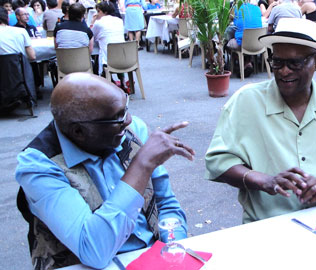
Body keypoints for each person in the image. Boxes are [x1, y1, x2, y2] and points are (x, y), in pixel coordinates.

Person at [15, 72, 194, 270]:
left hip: (154, 259)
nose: (128, 120)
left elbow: (166, 205)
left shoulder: (133, 130)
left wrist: (172, 254)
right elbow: (94, 251)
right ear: (78, 131)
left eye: (125, 109)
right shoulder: (38, 166)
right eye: (116, 118)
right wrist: (141, 165)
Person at [205, 18, 316, 224]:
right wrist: (264, 180)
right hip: (267, 224)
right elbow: (217, 161)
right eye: (277, 62)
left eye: (295, 63)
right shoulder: (246, 102)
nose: (284, 71)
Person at [90, 1, 125, 81]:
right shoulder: (119, 20)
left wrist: (92, 22)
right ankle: (122, 80)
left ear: (105, 12)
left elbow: (91, 36)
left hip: (107, 58)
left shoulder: (99, 23)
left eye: (98, 11)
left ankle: (104, 78)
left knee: (99, 52)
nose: (97, 13)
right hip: (124, 57)